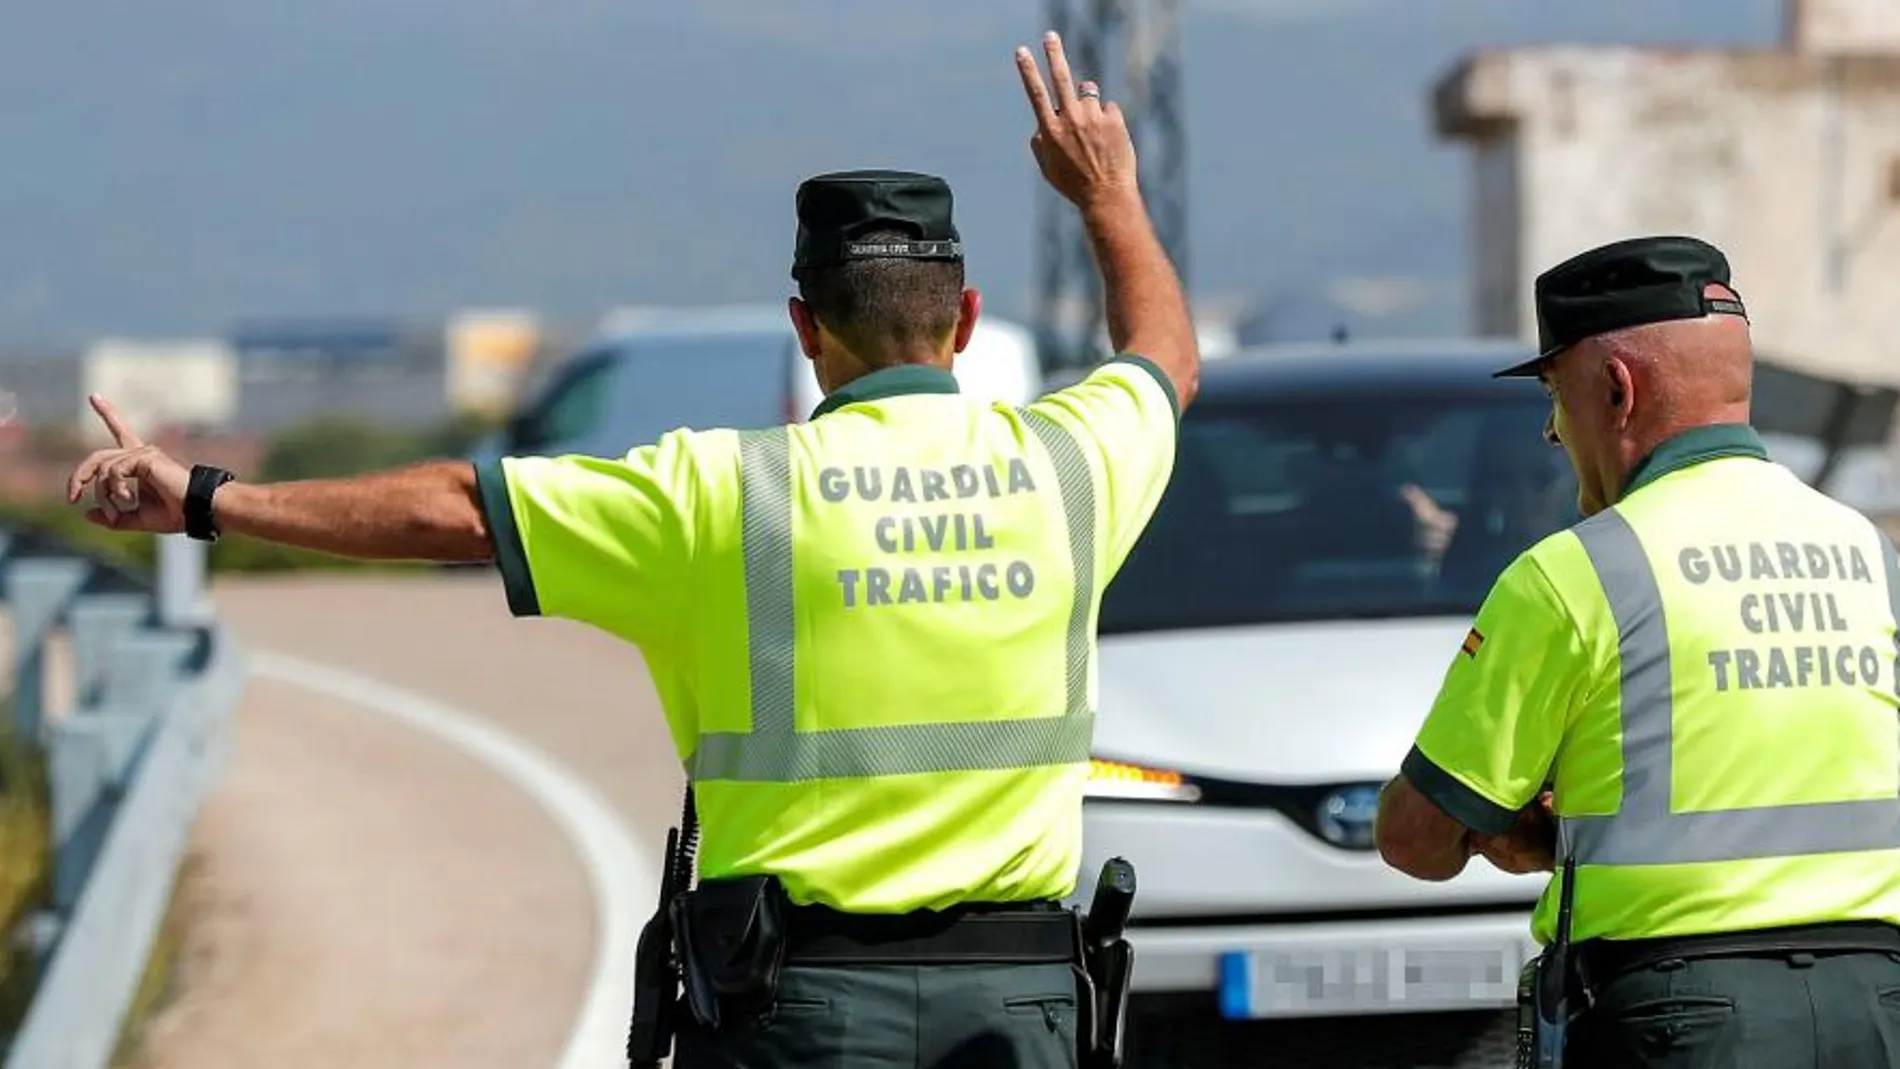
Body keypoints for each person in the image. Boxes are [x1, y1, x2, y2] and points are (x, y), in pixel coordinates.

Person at [65, 30, 1199, 1069]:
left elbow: (459, 508)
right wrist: (1108, 195)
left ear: (804, 328)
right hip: (1017, 1007)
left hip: (798, 1012)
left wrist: (209, 497)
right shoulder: (1070, 466)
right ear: (964, 318)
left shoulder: (720, 492)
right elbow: (1161, 359)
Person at [1371, 235, 1900, 1067]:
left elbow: (1418, 838)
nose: (1553, 430)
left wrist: (1545, 835)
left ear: (1616, 389)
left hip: (1679, 1017)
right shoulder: (1869, 554)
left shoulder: (1578, 573)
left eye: (1554, 394)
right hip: (1877, 1006)